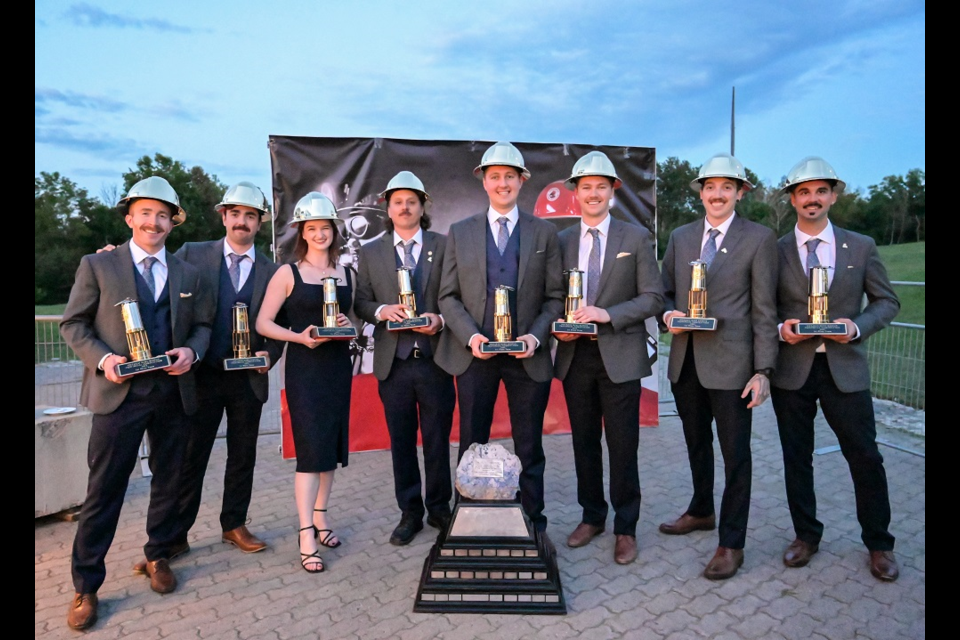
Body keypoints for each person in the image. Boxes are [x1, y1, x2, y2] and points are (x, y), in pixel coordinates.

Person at [60, 177, 212, 630]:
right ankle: (86, 586)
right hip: (118, 394)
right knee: (104, 490)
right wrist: (103, 359)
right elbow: (73, 324)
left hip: (171, 392)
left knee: (169, 480)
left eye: (163, 215)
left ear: (172, 223)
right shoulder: (98, 265)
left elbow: (202, 325)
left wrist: (192, 351)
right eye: (145, 212)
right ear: (130, 218)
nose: (154, 221)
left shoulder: (188, 273)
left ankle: (158, 555)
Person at [771, 157, 901, 581]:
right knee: (796, 458)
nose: (813, 199)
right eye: (804, 192)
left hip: (845, 369)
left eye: (821, 191)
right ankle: (806, 536)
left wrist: (857, 326)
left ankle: (879, 544)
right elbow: (762, 308)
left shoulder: (860, 245)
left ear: (834, 196)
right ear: (793, 199)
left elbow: (886, 302)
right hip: (793, 369)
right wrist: (780, 328)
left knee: (865, 456)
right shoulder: (773, 251)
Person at [659, 153, 778, 580]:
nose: (717, 194)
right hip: (686, 363)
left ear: (740, 192)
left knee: (736, 457)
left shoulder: (759, 238)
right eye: (710, 186)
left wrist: (763, 370)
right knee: (696, 444)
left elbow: (765, 309)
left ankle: (732, 543)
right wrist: (668, 315)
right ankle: (701, 510)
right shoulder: (680, 236)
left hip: (732, 366)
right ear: (701, 192)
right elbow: (665, 294)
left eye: (727, 187)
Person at [437, 141, 565, 533]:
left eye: (510, 176)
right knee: (473, 445)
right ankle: (468, 518)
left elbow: (555, 297)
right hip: (476, 356)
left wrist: (536, 338)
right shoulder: (460, 232)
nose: (503, 183)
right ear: (484, 181)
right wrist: (471, 337)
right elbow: (448, 296)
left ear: (522, 181)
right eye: (495, 176)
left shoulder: (545, 233)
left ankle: (533, 520)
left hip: (527, 357)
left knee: (529, 445)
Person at [553, 151, 664, 565]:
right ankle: (592, 516)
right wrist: (556, 325)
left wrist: (608, 314)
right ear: (575, 194)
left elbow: (653, 298)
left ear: (613, 191)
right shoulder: (561, 241)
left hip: (620, 355)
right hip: (575, 357)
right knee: (584, 443)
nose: (594, 193)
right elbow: (552, 299)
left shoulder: (635, 238)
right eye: (586, 187)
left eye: (602, 186)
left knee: (623, 445)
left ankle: (626, 527)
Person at [256, 192, 356, 573]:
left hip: (336, 367)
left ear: (334, 230)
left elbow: (351, 320)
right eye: (311, 228)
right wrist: (299, 337)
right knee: (310, 452)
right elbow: (264, 323)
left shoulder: (347, 273)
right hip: (304, 368)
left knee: (329, 449)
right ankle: (304, 534)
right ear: (302, 232)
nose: (319, 234)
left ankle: (322, 517)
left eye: (325, 227)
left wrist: (348, 326)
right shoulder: (288, 273)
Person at [354, 171, 455, 546]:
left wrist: (440, 320)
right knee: (401, 440)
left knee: (437, 438)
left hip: (435, 359)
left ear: (422, 206)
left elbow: (454, 295)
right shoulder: (371, 252)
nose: (405, 207)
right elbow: (360, 301)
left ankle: (439, 509)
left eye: (412, 201)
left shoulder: (444, 246)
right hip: (392, 363)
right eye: (398, 201)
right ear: (388, 207)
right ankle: (409, 512)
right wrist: (382, 311)